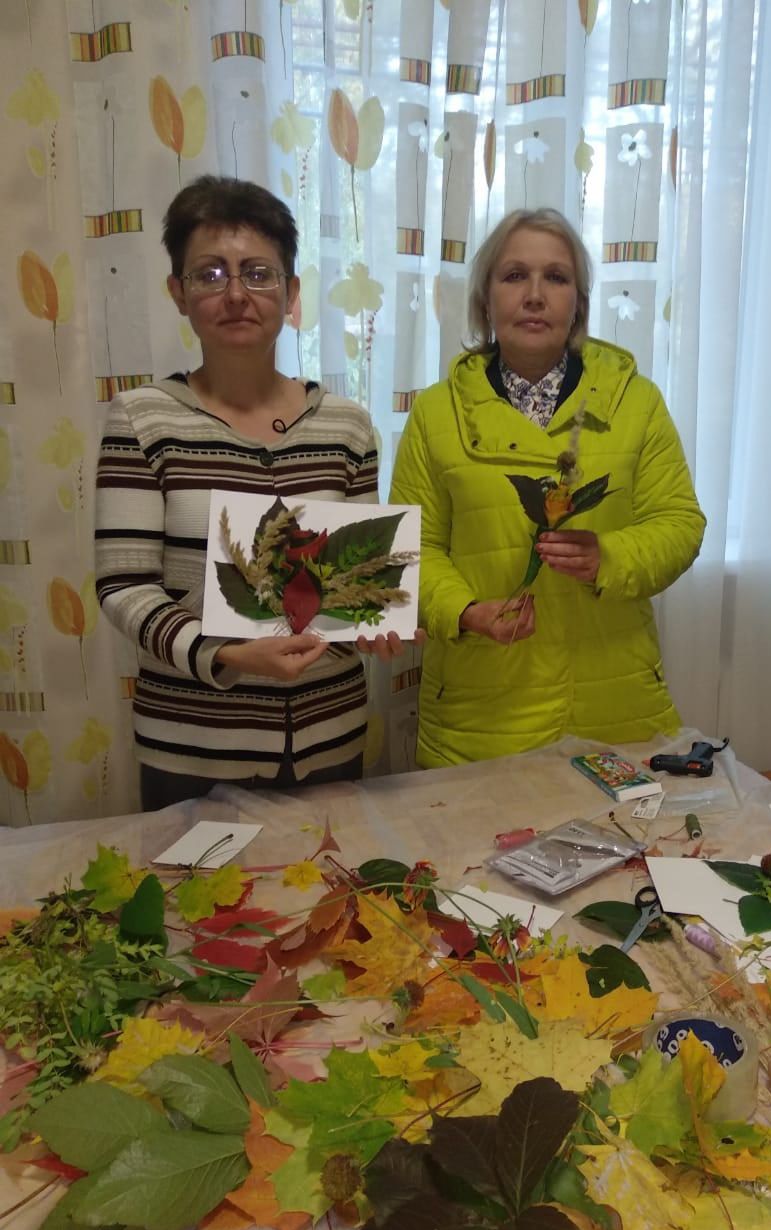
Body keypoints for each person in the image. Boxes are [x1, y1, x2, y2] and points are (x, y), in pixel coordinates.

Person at [96, 175, 409, 810]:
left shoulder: (347, 426)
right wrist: (228, 654)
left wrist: (374, 623)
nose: (236, 293)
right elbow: (123, 586)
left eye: (258, 274)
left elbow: (351, 587)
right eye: (210, 274)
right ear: (178, 293)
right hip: (192, 749)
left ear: (291, 294)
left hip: (329, 736)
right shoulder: (142, 419)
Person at [389, 207, 706, 768]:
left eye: (555, 278)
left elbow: (679, 524)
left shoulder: (637, 402)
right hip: (481, 716)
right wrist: (466, 611)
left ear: (578, 303)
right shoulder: (436, 413)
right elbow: (411, 550)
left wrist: (608, 556)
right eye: (515, 276)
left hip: (615, 707)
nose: (535, 296)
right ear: (485, 299)